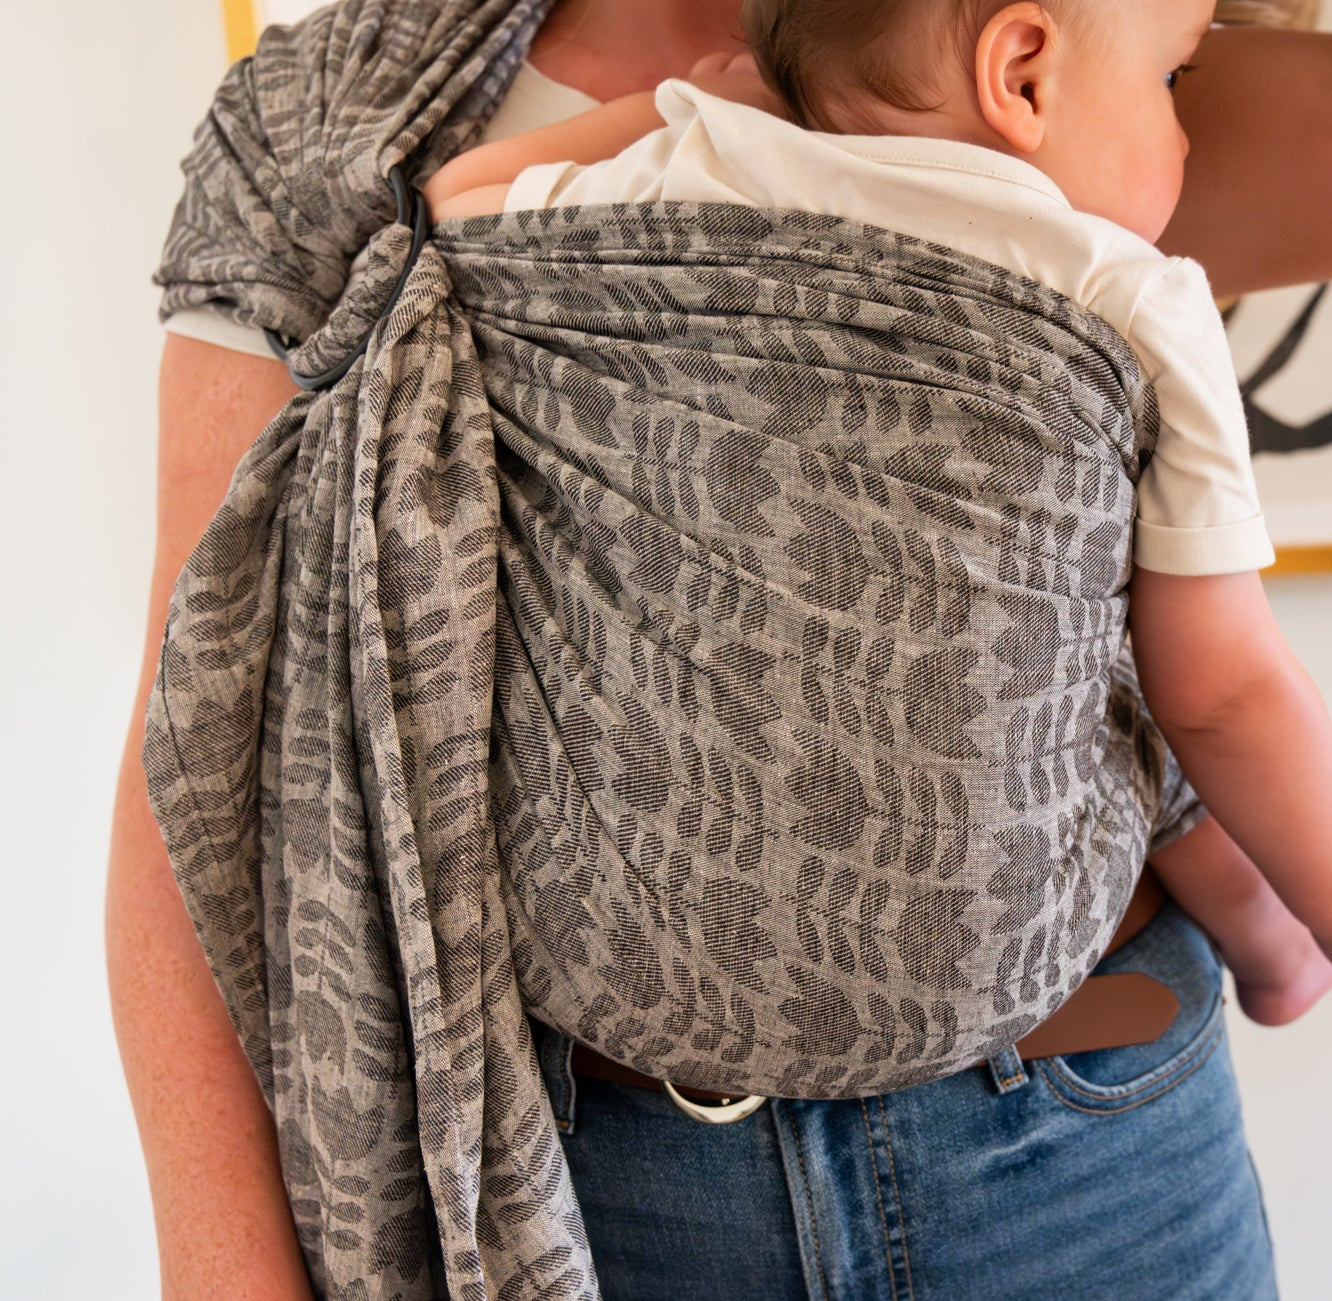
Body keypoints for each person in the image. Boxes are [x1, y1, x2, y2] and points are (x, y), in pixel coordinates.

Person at [105, 1, 1332, 1301]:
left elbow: (1180, 670)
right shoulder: (333, 120)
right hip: (602, 1203)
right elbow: (220, 718)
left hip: (1090, 1155)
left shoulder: (1099, 47)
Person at [427, 0, 1332, 1030]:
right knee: (1130, 711)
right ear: (1021, 72)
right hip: (1002, 979)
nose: (1181, 133)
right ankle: (1281, 959)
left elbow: (457, 202)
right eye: (1171, 83)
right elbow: (1225, 692)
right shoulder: (1132, 292)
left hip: (616, 967)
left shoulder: (702, 166)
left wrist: (682, 113)